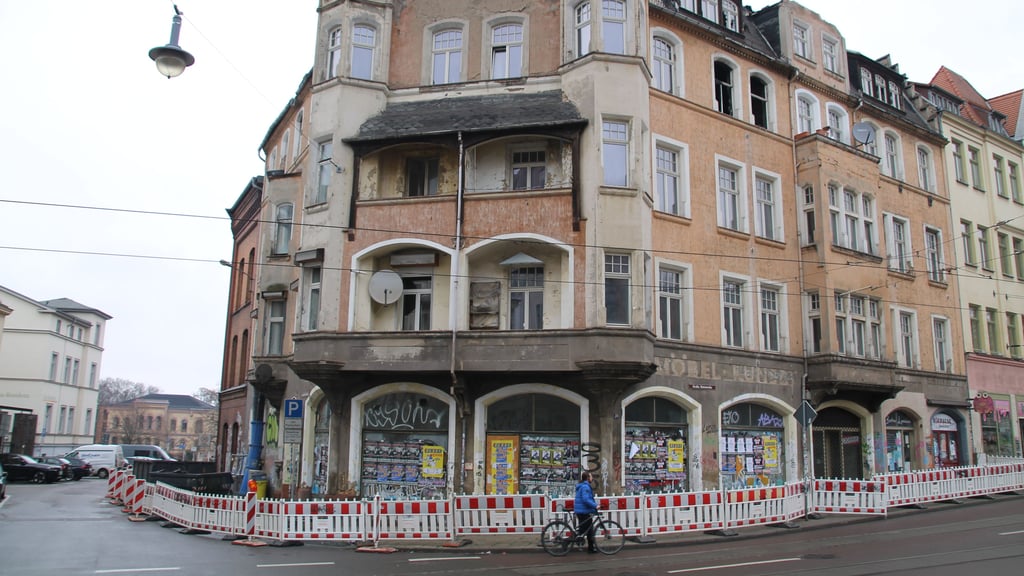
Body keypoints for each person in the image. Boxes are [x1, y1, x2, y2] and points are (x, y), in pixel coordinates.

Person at [574, 470, 599, 552]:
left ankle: (591, 548)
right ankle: (568, 543)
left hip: (583, 510)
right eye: (591, 476)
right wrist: (595, 506)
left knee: (588, 530)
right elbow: (586, 499)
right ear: (588, 478)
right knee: (587, 530)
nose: (592, 478)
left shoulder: (583, 485)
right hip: (583, 511)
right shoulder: (585, 487)